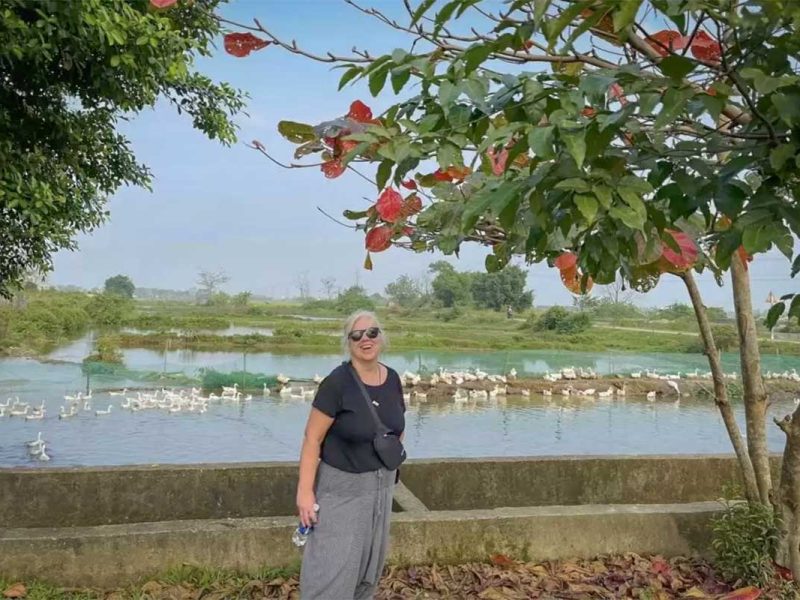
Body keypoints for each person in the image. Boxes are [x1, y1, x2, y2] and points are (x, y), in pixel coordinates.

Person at [297, 310, 406, 600]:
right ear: (349, 342)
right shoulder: (337, 383)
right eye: (356, 335)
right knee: (331, 571)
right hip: (342, 491)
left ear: (381, 337)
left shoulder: (393, 379)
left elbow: (396, 429)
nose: (365, 340)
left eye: (372, 332)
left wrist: (389, 464)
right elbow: (312, 438)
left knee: (367, 572)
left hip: (380, 490)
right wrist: (305, 494)